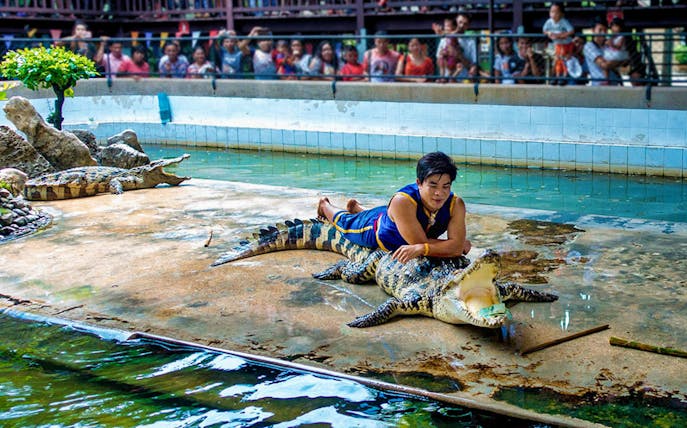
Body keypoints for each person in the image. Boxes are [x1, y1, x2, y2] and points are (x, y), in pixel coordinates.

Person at [316, 152, 472, 263]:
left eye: (446, 186)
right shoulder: (402, 202)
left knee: (393, 215)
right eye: (433, 185)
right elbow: (419, 243)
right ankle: (325, 206)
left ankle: (357, 207)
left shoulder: (456, 204)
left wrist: (455, 246)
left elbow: (453, 247)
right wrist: (453, 245)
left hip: (398, 217)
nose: (440, 193)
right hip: (374, 229)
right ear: (419, 183)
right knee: (345, 222)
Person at [543, 3, 575, 85]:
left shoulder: (564, 22)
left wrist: (561, 35)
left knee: (564, 60)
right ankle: (557, 76)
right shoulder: (549, 22)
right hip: (558, 45)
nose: (553, 14)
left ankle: (564, 76)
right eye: (552, 12)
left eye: (556, 12)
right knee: (557, 60)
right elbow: (544, 30)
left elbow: (571, 31)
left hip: (566, 44)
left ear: (562, 14)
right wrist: (549, 33)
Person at [583, 18, 623, 86]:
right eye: (600, 30)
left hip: (614, 83)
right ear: (593, 30)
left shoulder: (609, 43)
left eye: (605, 30)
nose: (603, 33)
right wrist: (617, 61)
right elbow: (604, 65)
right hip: (599, 84)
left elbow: (624, 60)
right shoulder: (589, 46)